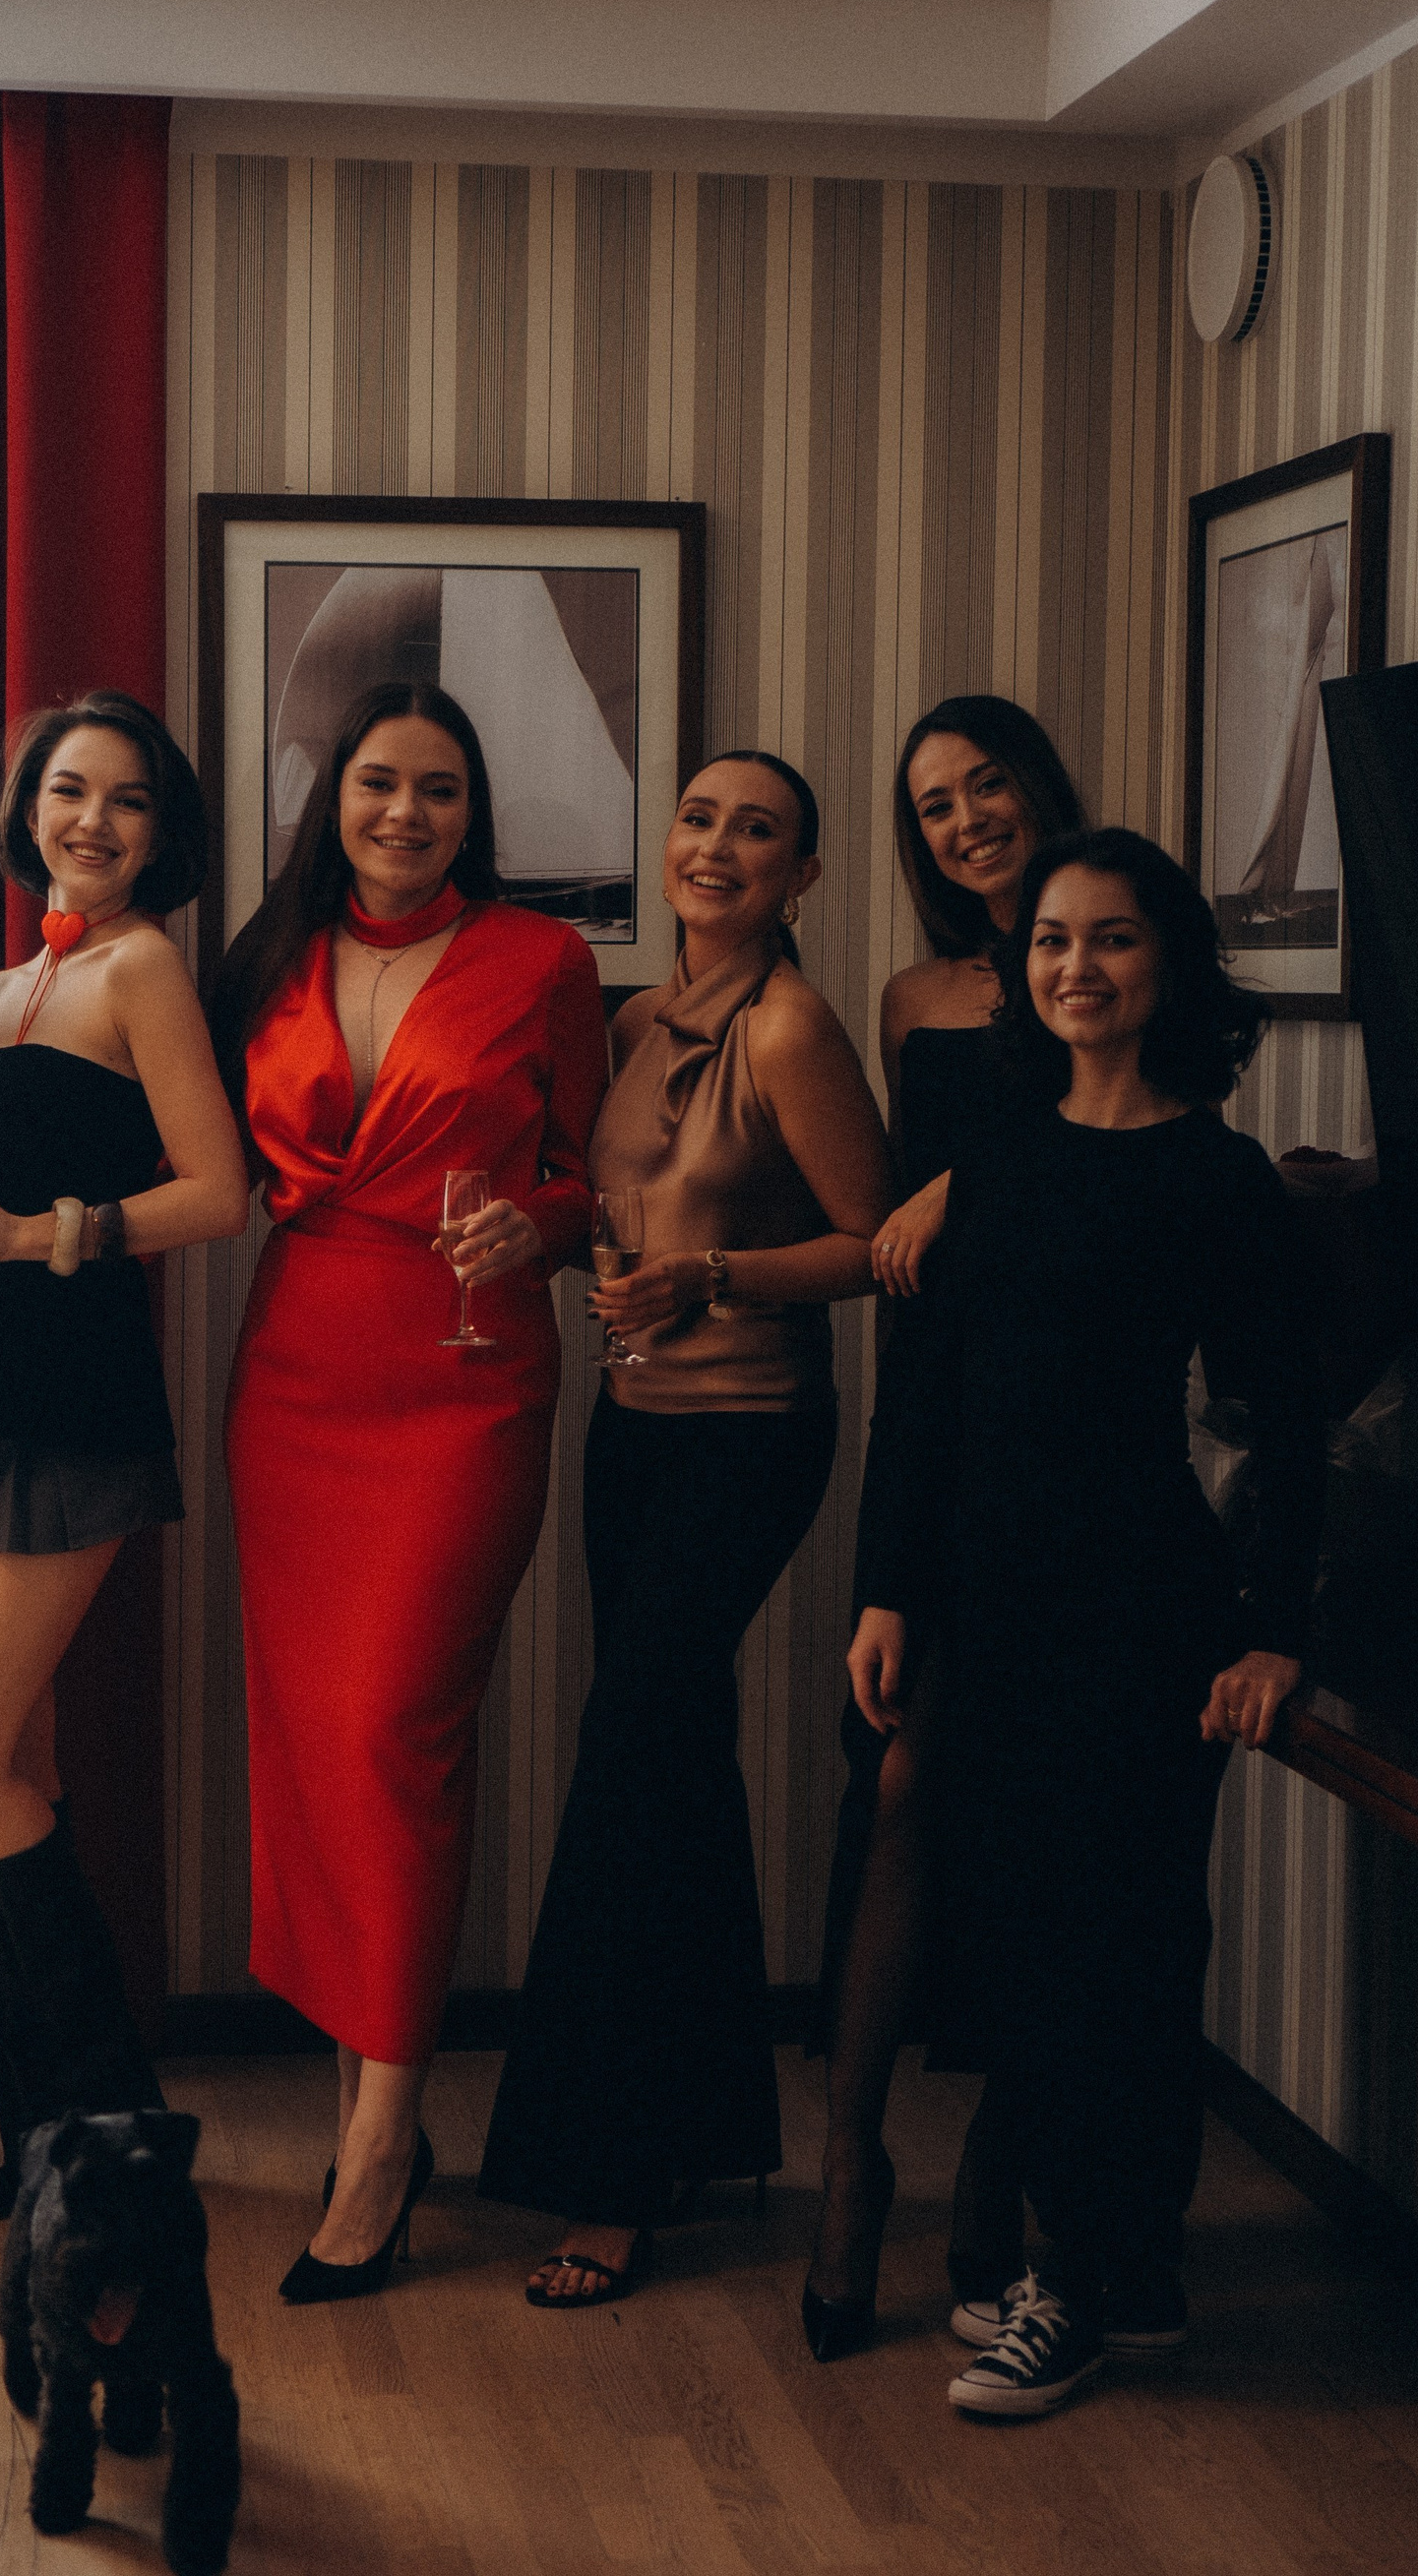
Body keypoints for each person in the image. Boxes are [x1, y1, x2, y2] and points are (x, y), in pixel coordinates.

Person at [851, 828, 1322, 2418]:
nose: (1077, 967)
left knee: (1124, 1946)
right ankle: (1128, 2281)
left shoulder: (1218, 1176)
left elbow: (1284, 1421)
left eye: (1113, 938)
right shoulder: (997, 1158)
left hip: (1146, 1610)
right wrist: (889, 1588)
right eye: (1052, 940)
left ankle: (1085, 2276)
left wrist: (1271, 1629)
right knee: (1028, 1942)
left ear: (1167, 962)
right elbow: (928, 1402)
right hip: (990, 1608)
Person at [478, 751, 893, 2305]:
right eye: (702, 818)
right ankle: (711, 2125)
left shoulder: (789, 1027)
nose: (719, 845)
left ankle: (608, 2171)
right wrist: (540, 1234)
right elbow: (613, 1204)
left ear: (802, 875)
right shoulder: (636, 1018)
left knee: (628, 1751)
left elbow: (872, 1243)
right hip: (632, 1426)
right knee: (674, 1754)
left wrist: (711, 1279)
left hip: (751, 1433)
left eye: (758, 830)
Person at [214, 681, 607, 2303]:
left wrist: (542, 1227)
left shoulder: (542, 960)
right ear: (336, 797)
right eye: (381, 782)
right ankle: (363, 2105)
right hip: (297, 1372)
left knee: (394, 1734)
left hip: (464, 1377)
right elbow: (200, 1157)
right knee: (317, 1752)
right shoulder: (267, 959)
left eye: (440, 790)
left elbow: (595, 1177)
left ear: (472, 815)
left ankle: (382, 2145)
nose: (406, 813)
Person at [0, 692, 248, 2216]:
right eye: (68, 790)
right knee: (18, 1766)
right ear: (26, 807)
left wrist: (44, 1232)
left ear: (163, 834)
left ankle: (120, 2130)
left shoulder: (141, 966)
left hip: (69, 1399)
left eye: (128, 800)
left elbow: (218, 1190)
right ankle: (47, 2133)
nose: (92, 821)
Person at [807, 693, 1085, 2354]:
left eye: (988, 785)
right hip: (941, 1416)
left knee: (1044, 1814)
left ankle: (998, 2167)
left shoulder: (1106, 952)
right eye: (934, 804)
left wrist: (965, 1184)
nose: (967, 818)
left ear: (1040, 787)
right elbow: (905, 1262)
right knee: (904, 1778)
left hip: (1082, 1425)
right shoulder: (917, 997)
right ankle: (853, 2168)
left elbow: (1123, 1155)